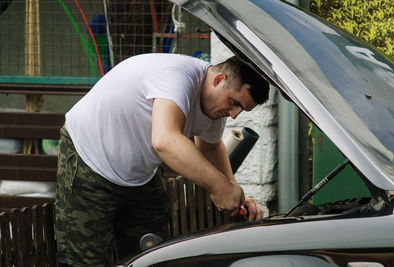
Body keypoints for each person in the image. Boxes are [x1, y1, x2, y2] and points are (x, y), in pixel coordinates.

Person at [55, 53, 270, 266]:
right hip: (89, 160)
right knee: (85, 261)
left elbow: (210, 148)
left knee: (151, 255)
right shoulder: (176, 79)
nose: (234, 114)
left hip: (140, 175)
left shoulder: (214, 107)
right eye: (234, 103)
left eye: (241, 109)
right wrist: (220, 187)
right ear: (218, 79)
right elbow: (165, 141)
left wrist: (234, 191)